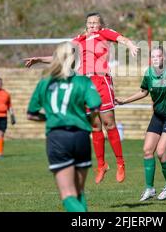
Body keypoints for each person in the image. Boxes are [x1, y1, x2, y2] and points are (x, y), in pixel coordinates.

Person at [24, 12, 139, 184]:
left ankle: (120, 163)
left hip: (101, 81)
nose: (92, 25)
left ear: (100, 25)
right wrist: (39, 59)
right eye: (89, 23)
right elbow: (60, 57)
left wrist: (130, 46)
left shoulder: (104, 33)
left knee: (109, 123)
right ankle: (101, 165)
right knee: (95, 126)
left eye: (95, 23)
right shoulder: (78, 40)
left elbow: (122, 39)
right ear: (86, 25)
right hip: (85, 84)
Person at [27, 42, 102, 212]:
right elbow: (95, 106)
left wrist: (50, 117)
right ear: (75, 60)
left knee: (68, 194)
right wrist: (88, 119)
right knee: (79, 191)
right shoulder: (83, 81)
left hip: (58, 138)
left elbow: (31, 114)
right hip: (81, 137)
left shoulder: (44, 83)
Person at [115, 46, 166, 201]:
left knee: (161, 152)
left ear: (164, 58)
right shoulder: (148, 73)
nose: (156, 59)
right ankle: (149, 189)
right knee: (148, 150)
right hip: (158, 116)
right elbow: (143, 91)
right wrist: (124, 101)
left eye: (159, 56)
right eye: (153, 57)